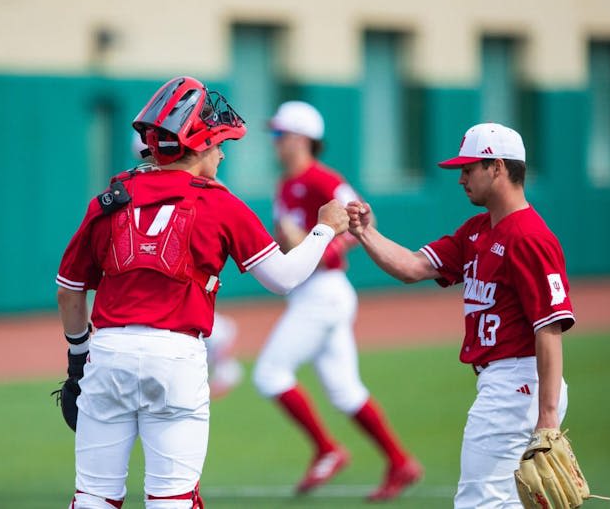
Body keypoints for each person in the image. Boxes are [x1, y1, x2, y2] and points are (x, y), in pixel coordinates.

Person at [56, 76, 350, 509]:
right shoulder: (219, 202)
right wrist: (325, 228)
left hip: (109, 354)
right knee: (172, 499)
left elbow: (69, 290)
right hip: (176, 359)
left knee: (94, 498)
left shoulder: (111, 197)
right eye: (217, 144)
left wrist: (79, 356)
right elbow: (284, 278)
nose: (222, 152)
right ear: (196, 145)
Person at [346, 122, 575, 508]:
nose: (461, 178)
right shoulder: (478, 230)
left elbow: (550, 328)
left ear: (498, 167)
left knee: (478, 501)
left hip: (517, 384)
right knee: (502, 501)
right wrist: (366, 233)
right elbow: (414, 267)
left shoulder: (529, 237)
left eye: (469, 169)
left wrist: (548, 415)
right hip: (506, 384)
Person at [253, 101, 423, 500]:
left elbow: (366, 220)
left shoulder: (321, 178)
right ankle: (401, 462)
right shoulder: (284, 184)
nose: (275, 142)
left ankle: (327, 450)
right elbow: (290, 241)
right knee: (345, 390)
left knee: (269, 374)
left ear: (301, 138)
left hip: (324, 293)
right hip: (310, 294)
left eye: (280, 134)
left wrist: (326, 251)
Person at [131, 133, 244, 400]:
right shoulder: (147, 181)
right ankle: (223, 354)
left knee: (179, 312)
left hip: (188, 262)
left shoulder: (207, 185)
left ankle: (221, 342)